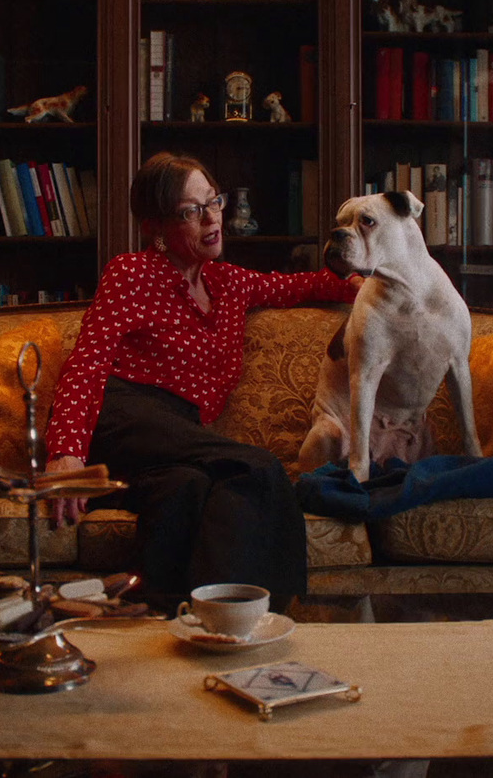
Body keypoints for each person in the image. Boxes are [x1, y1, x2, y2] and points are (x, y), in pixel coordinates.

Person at [43, 152, 359, 603]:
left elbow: (301, 286)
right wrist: (66, 453)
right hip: (123, 415)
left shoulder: (230, 283)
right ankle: (260, 616)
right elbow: (88, 361)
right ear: (155, 227)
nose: (212, 218)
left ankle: (164, 614)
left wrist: (358, 284)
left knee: (185, 488)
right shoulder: (131, 274)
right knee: (258, 467)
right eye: (191, 212)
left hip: (178, 439)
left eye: (214, 202)